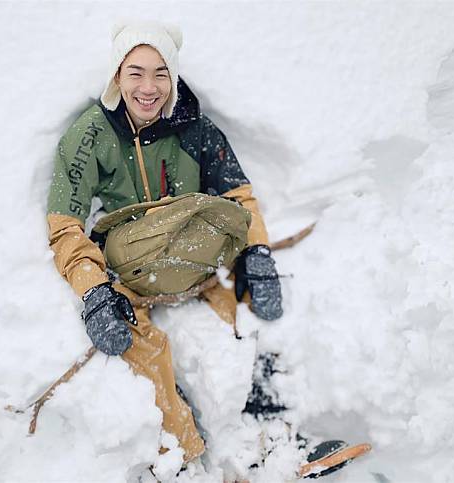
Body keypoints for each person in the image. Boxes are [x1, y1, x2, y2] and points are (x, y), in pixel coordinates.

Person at [46, 22, 284, 465]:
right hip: (132, 271)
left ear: (173, 77)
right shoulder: (91, 135)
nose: (148, 88)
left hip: (193, 265)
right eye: (136, 72)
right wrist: (96, 293)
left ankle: (265, 442)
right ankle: (184, 458)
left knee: (234, 340)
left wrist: (258, 255)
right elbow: (66, 228)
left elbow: (238, 197)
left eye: (160, 73)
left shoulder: (195, 128)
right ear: (117, 75)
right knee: (149, 356)